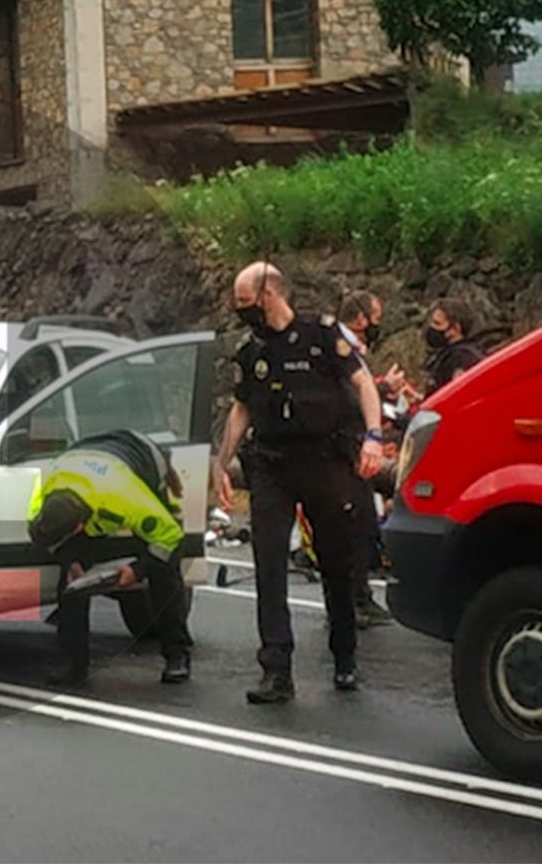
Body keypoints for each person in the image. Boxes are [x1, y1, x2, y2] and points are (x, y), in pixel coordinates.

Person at [215, 262, 385, 704]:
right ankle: (275, 669)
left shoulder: (322, 334)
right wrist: (221, 464)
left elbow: (364, 383)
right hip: (271, 466)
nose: (239, 310)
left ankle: (344, 656)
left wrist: (373, 437)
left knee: (335, 562)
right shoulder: (251, 349)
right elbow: (241, 410)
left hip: (324, 463)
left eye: (245, 302)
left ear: (269, 295)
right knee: (269, 564)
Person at [29, 429, 193, 687]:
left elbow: (171, 537)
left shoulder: (124, 496)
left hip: (141, 457)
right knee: (71, 582)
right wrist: (69, 561)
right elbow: (43, 539)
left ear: (79, 527)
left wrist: (138, 570)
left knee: (163, 565)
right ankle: (72, 663)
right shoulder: (43, 492)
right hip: (84, 455)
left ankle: (177, 653)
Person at [335, 290, 395, 629]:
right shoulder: (340, 348)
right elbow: (348, 395)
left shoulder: (354, 349)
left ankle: (360, 596)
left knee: (364, 526)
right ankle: (349, 602)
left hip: (355, 448)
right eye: (376, 318)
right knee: (351, 527)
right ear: (361, 318)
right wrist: (383, 393)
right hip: (345, 449)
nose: (377, 325)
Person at [424, 297, 487, 396]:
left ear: (455, 328)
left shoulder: (462, 359)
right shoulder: (447, 356)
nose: (432, 327)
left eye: (437, 324)